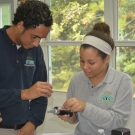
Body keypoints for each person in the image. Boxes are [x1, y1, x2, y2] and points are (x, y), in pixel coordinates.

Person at [58, 22, 134, 135]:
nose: (85, 67)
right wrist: (69, 115)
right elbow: (75, 120)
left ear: (106, 59)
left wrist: (85, 107)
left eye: (91, 62)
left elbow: (118, 122)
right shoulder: (77, 80)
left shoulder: (122, 81)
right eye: (82, 60)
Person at [0, 1, 53, 135]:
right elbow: (30, 92)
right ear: (20, 25)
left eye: (41, 38)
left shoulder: (35, 50)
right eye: (34, 36)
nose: (36, 44)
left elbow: (41, 92)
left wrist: (33, 122)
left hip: (26, 128)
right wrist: (24, 94)